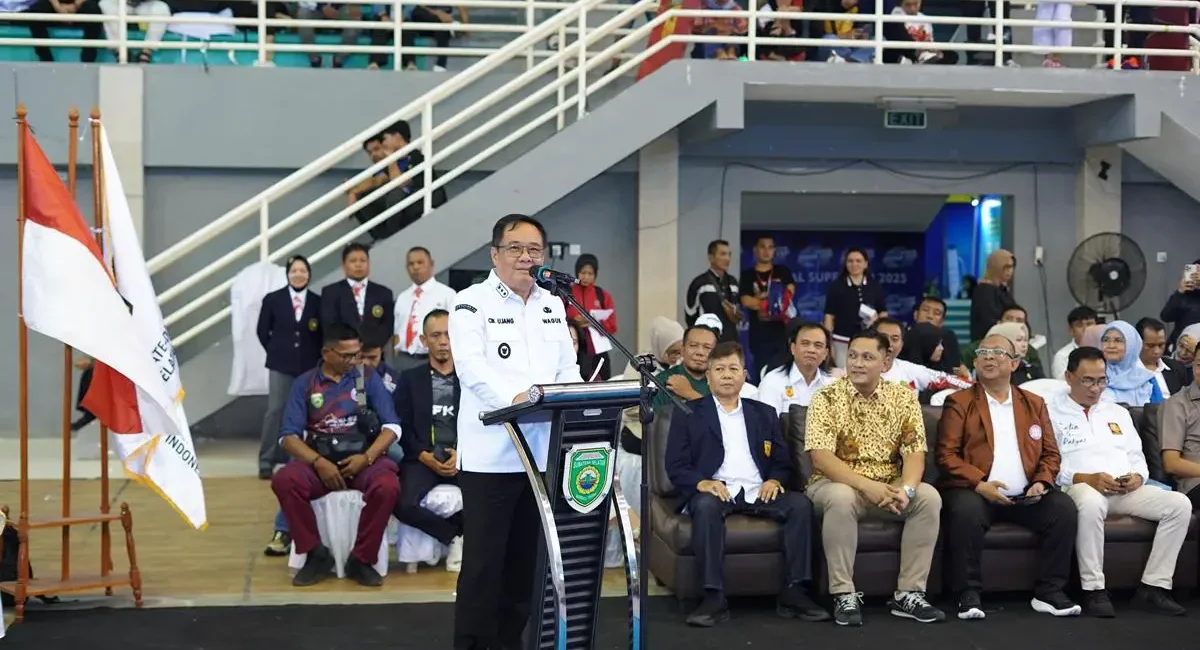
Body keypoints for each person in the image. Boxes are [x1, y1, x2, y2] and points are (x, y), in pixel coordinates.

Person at [448, 214, 583, 650]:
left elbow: (567, 369)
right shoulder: (470, 303)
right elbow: (471, 369)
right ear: (495, 254)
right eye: (515, 248)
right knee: (484, 567)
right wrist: (520, 400)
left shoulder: (552, 304)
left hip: (542, 457)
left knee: (525, 565)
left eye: (534, 249)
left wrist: (579, 396)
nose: (526, 257)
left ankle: (510, 643)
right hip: (492, 457)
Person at [665, 341, 827, 626]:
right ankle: (713, 597)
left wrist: (774, 479)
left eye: (733, 368)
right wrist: (701, 482)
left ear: (744, 374)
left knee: (800, 505)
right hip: (716, 490)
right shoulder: (688, 413)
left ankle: (795, 592)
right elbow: (676, 464)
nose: (727, 375)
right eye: (719, 369)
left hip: (757, 489)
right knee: (704, 506)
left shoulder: (763, 413)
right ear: (709, 376)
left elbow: (782, 460)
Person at [935, 333, 1081, 620]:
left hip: (1026, 496)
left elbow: (1051, 454)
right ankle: (967, 592)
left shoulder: (1034, 403)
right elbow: (946, 456)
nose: (989, 357)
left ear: (1014, 364)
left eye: (998, 352)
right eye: (983, 352)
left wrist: (1041, 482)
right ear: (975, 361)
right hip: (976, 492)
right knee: (965, 510)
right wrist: (979, 484)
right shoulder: (959, 402)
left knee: (1063, 508)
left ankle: (1049, 592)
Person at [804, 330, 945, 627]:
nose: (857, 363)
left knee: (928, 497)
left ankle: (909, 593)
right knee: (841, 497)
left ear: (885, 362)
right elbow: (821, 457)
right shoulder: (826, 397)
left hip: (887, 486)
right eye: (853, 356)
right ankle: (843, 593)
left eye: (867, 357)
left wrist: (907, 490)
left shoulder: (903, 397)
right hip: (834, 485)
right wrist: (867, 486)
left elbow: (914, 454)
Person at [1050, 346, 1190, 617]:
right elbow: (1049, 464)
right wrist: (1084, 478)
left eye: (1101, 380)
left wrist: (1137, 477)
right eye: (1087, 380)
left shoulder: (1117, 412)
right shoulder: (1050, 412)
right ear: (1068, 377)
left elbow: (1137, 457)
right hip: (1078, 487)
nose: (1095, 388)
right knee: (1091, 503)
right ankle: (1094, 589)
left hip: (1123, 489)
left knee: (1179, 505)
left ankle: (1154, 586)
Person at [270, 324, 402, 588]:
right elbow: (288, 436)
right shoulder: (305, 383)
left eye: (356, 354)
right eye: (346, 356)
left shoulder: (366, 378)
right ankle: (315, 553)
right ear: (326, 353)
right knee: (284, 480)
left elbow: (392, 427)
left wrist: (366, 458)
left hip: (362, 460)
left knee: (388, 486)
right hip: (319, 463)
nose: (353, 361)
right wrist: (318, 463)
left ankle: (362, 559)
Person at [394, 309, 464, 571]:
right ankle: (452, 534)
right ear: (424, 340)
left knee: (491, 497)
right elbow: (401, 426)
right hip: (422, 459)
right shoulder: (410, 379)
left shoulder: (469, 378)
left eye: (448, 334)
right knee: (401, 503)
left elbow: (482, 423)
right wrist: (423, 455)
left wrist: (462, 453)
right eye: (435, 335)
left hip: (463, 458)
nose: (443, 341)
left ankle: (459, 536)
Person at [256, 255, 323, 480]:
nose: (298, 275)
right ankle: (266, 460)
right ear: (287, 274)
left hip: (309, 366)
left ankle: (301, 459)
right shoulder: (273, 299)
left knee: (309, 412)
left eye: (303, 271)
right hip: (280, 365)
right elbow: (262, 331)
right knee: (275, 410)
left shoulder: (317, 301)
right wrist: (277, 351)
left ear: (309, 275)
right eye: (294, 271)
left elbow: (321, 335)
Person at [756, 321, 837, 415]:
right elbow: (766, 423)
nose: (811, 350)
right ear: (793, 348)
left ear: (825, 354)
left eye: (818, 345)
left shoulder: (832, 386)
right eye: (805, 343)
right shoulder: (772, 382)